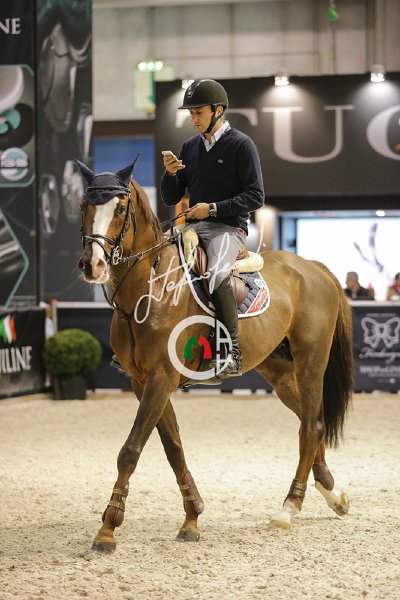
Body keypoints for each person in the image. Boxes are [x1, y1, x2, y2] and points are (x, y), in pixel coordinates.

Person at [161, 78, 264, 376]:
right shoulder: (190, 147)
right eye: (191, 113)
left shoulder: (242, 145)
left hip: (228, 229)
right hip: (193, 229)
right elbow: (171, 197)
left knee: (217, 274)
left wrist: (214, 208)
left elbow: (256, 196)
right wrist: (170, 175)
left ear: (218, 111)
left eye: (198, 112)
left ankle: (233, 351)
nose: (193, 119)